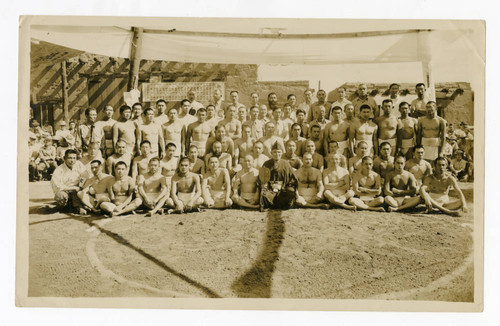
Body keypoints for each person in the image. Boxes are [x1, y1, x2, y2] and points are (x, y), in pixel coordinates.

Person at [258, 142, 298, 211]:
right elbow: (262, 178)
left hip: (283, 189)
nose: (277, 154)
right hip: (270, 189)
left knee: (290, 192)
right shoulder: (266, 164)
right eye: (275, 152)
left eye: (279, 152)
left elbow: (293, 179)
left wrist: (283, 186)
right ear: (271, 153)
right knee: (263, 192)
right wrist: (265, 185)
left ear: (282, 153)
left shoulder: (286, 164)